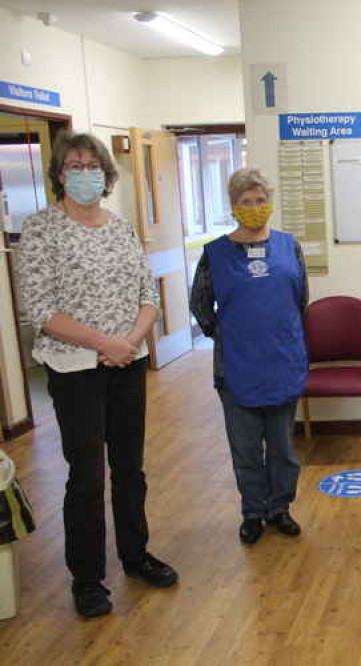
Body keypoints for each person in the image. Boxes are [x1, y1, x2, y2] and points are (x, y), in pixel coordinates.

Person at [16, 131, 177, 618]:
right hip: (74, 369)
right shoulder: (42, 230)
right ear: (60, 174)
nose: (84, 173)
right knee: (86, 476)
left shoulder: (121, 228)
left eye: (92, 166)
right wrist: (103, 342)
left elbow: (147, 295)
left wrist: (129, 340)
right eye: (74, 165)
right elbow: (40, 311)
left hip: (126, 365)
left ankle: (136, 555)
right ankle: (87, 579)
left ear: (105, 175)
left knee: (130, 469)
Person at [190, 168, 309, 546]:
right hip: (236, 366)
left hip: (282, 360)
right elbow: (201, 306)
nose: (255, 207)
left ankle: (281, 508)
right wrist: (230, 335)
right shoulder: (215, 254)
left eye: (261, 200)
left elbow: (300, 298)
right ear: (233, 207)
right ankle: (253, 512)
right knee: (245, 448)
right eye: (246, 202)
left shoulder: (290, 247)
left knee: (282, 447)